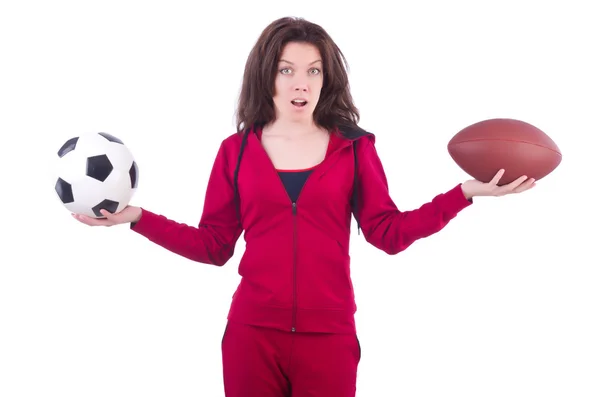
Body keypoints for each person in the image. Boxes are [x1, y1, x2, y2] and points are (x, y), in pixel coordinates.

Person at [73, 16, 535, 397]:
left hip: (329, 338)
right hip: (251, 336)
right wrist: (136, 218)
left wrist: (463, 194)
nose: (301, 82)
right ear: (266, 75)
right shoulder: (234, 152)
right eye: (286, 69)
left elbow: (387, 233)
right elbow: (213, 246)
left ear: (326, 78)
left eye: (313, 70)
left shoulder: (355, 149)